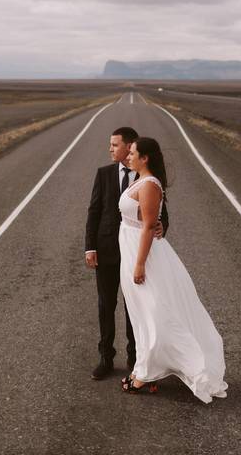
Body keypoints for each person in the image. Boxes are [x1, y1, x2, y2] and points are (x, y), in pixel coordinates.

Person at [118, 137, 227, 403]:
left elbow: (147, 226)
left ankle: (149, 372)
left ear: (145, 158)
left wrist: (140, 263)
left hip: (143, 255)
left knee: (154, 312)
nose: (128, 156)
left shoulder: (150, 184)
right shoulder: (139, 181)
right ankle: (145, 368)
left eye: (132, 153)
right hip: (131, 249)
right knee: (141, 314)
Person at [85, 127, 169, 380]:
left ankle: (136, 358)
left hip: (135, 252)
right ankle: (106, 358)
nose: (110, 149)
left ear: (129, 146)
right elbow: (94, 211)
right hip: (107, 251)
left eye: (115, 145)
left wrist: (163, 225)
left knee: (136, 308)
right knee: (105, 305)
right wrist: (90, 247)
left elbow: (161, 212)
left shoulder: (146, 177)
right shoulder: (104, 174)